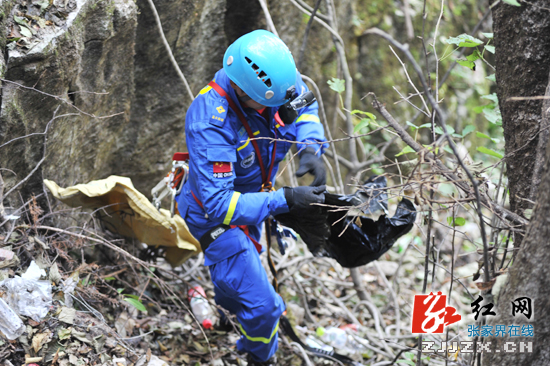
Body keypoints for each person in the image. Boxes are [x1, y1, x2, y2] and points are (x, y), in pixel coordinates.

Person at [176, 29, 328, 365]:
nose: (279, 107)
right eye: (270, 104)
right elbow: (219, 205)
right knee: (265, 306)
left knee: (242, 282)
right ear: (244, 91)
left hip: (252, 201)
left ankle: (230, 312)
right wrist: (284, 199)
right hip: (214, 215)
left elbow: (305, 104)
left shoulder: (273, 82)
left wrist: (311, 148)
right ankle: (258, 355)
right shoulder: (210, 121)